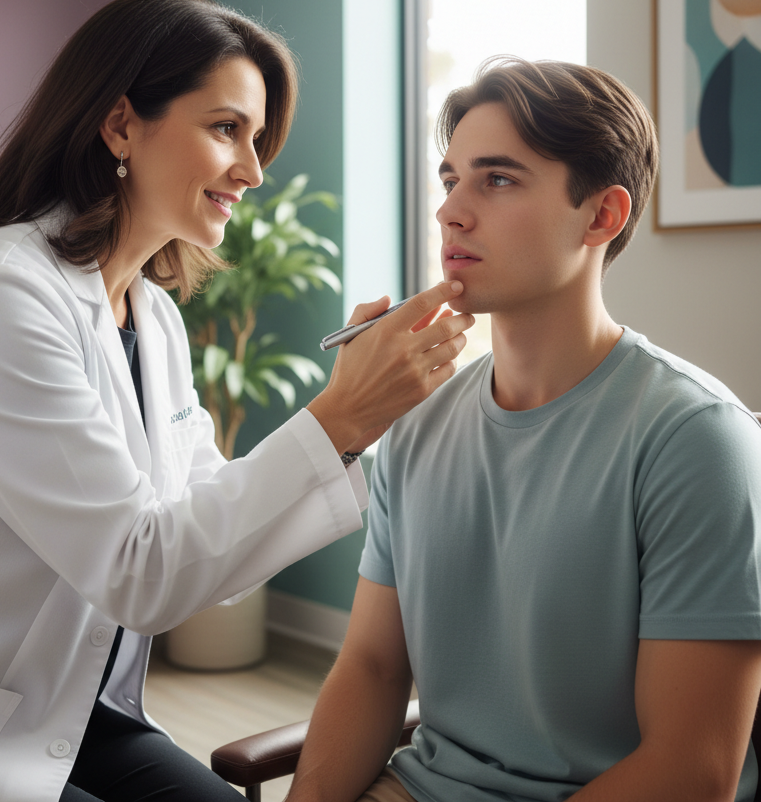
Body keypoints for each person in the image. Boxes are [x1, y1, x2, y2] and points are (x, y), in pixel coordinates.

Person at [0, 0, 474, 802]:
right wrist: (343, 414)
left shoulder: (153, 317)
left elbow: (206, 543)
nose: (254, 169)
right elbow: (142, 572)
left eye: (258, 138)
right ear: (122, 123)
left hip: (74, 710)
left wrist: (352, 427)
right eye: (226, 128)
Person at [286, 58, 761, 802]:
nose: (451, 211)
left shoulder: (697, 440)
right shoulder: (415, 425)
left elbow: (691, 771)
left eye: (497, 180)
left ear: (602, 215)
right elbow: (374, 667)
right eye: (450, 181)